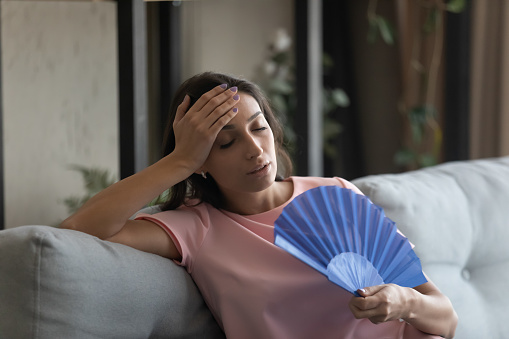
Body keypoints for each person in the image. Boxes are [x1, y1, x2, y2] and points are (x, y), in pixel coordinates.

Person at [61, 71, 458, 339]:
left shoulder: (335, 194)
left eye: (259, 128)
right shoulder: (197, 229)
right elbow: (80, 228)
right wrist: (178, 161)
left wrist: (401, 301)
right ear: (200, 162)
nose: (254, 150)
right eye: (226, 142)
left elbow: (446, 317)